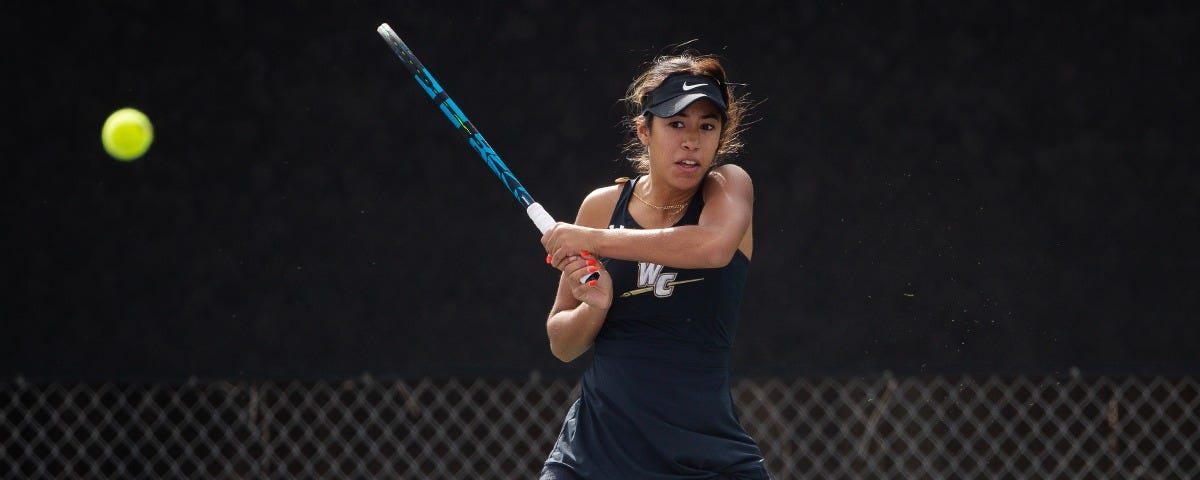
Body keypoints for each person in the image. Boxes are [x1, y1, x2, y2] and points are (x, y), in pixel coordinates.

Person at [538, 50, 769, 479]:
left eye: (707, 126)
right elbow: (562, 344)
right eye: (675, 124)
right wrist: (595, 305)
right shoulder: (601, 206)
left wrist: (593, 239)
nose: (691, 140)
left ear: (722, 135)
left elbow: (714, 247)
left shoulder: (728, 188)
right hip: (593, 459)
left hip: (705, 461)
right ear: (643, 130)